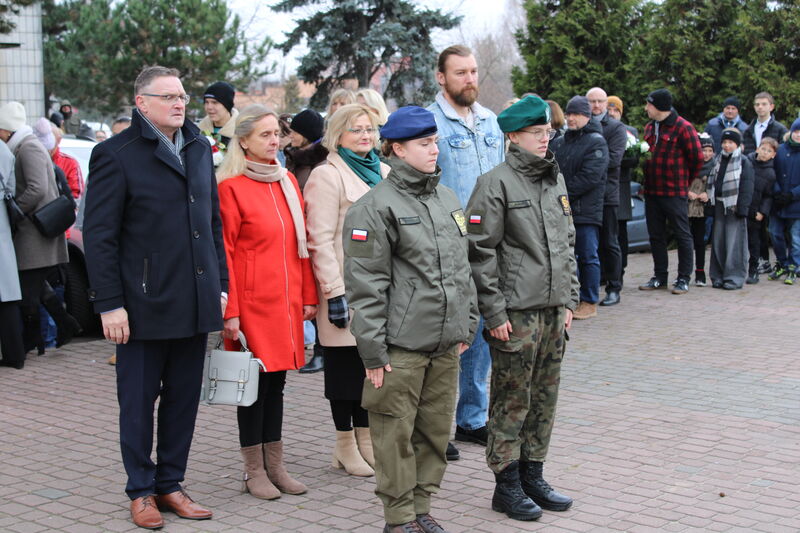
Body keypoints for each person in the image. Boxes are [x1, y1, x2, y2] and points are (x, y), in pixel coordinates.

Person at [83, 66, 228, 529]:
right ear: (142, 103)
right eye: (168, 96)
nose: (180, 103)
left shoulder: (200, 147)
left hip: (195, 299)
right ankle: (140, 490)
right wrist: (109, 303)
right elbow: (100, 235)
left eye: (182, 95)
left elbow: (212, 222)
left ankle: (170, 483)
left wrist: (220, 285)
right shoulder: (116, 154)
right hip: (142, 305)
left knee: (184, 399)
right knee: (139, 402)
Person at [343, 105, 477, 533]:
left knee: (436, 433)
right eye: (424, 143)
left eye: (435, 141)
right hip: (400, 348)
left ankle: (421, 509)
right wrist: (372, 352)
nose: (434, 149)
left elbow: (463, 268)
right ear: (398, 149)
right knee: (393, 436)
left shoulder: (447, 198)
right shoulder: (374, 207)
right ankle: (398, 518)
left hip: (445, 343)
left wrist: (466, 322)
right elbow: (366, 288)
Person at [466, 95, 578, 522]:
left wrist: (570, 298)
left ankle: (534, 474)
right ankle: (506, 483)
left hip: (552, 311)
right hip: (516, 313)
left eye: (547, 132)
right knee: (512, 399)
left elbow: (567, 243)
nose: (544, 139)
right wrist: (494, 313)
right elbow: (479, 253)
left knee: (544, 398)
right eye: (536, 133)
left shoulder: (554, 179)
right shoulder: (494, 183)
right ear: (512, 136)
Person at [216, 104, 318, 500]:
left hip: (287, 302)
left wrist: (309, 296)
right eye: (264, 135)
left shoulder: (288, 181)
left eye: (277, 133)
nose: (274, 141)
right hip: (252, 305)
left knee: (276, 386)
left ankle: (276, 465)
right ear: (243, 141)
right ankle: (253, 470)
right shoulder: (230, 187)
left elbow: (302, 245)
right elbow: (224, 253)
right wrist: (232, 312)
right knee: (252, 388)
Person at [304, 103, 389, 476]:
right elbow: (319, 240)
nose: (365, 136)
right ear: (338, 135)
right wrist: (333, 291)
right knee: (344, 373)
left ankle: (366, 439)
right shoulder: (327, 176)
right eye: (356, 130)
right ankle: (344, 444)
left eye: (369, 129)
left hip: (380, 290)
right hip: (344, 289)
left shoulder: (384, 172)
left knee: (371, 368)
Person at [427, 44, 504, 455]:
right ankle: (435, 427)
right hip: (448, 244)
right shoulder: (431, 124)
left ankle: (472, 419)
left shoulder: (490, 121)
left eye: (473, 71)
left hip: (488, 244)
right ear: (441, 77)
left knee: (481, 337)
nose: (469, 79)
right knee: (446, 337)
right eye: (460, 73)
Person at [0, 102, 69, 360]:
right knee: (38, 289)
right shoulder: (24, 145)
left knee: (29, 294)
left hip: (34, 232)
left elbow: (37, 189)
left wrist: (14, 210)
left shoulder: (27, 147)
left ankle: (33, 340)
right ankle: (65, 326)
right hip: (34, 231)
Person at [639, 89, 703, 294]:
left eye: (649, 104)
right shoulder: (649, 126)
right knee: (656, 236)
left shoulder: (683, 127)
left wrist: (684, 181)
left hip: (674, 191)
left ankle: (684, 278)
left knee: (682, 234)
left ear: (659, 107)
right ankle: (660, 276)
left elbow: (697, 158)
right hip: (652, 191)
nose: (646, 108)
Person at [550, 96, 608, 320]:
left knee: (587, 256)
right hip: (561, 209)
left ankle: (589, 300)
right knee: (565, 257)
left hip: (585, 211)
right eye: (569, 114)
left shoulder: (596, 141)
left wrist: (561, 195)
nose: (571, 118)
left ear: (587, 116)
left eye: (576, 114)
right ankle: (569, 299)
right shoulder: (560, 142)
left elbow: (590, 177)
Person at [586, 87, 627, 307]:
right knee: (588, 244)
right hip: (586, 195)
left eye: (600, 101)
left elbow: (613, 160)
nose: (596, 106)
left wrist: (589, 163)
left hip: (607, 193)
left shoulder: (615, 128)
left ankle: (614, 287)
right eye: (591, 101)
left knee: (610, 242)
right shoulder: (581, 126)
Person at [706, 128, 754, 290]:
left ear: (737, 144)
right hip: (719, 204)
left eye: (730, 142)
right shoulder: (718, 159)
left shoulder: (744, 162)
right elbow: (712, 182)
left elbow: (747, 186)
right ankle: (718, 275)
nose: (727, 146)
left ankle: (734, 277)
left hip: (734, 206)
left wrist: (743, 208)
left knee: (734, 243)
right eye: (724, 142)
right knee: (718, 241)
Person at [606, 95, 639, 286]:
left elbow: (634, 159)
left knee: (621, 231)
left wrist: (616, 159)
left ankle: (621, 270)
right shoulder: (600, 130)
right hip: (606, 185)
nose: (611, 113)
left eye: (615, 110)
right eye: (609, 109)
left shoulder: (630, 132)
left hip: (622, 186)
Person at [0, 140, 25, 369]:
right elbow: (11, 187)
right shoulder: (4, 149)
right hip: (2, 226)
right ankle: (15, 353)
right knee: (7, 294)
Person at [767, 118, 800, 285]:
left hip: (796, 203)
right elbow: (771, 172)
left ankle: (794, 265)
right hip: (778, 202)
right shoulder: (780, 150)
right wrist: (777, 191)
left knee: (795, 237)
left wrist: (792, 194)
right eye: (796, 131)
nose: (799, 135)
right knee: (775, 233)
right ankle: (782, 262)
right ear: (791, 132)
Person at [745, 137, 778, 284]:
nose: (765, 153)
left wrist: (762, 212)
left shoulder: (771, 173)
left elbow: (768, 196)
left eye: (769, 151)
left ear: (773, 155)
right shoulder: (747, 162)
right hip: (741, 208)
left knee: (754, 242)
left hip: (756, 212)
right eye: (763, 149)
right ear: (757, 148)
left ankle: (753, 271)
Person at [688, 133, 716, 286]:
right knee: (685, 240)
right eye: (703, 150)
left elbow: (718, 186)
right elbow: (680, 180)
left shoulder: (715, 166)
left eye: (709, 151)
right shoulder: (690, 164)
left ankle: (700, 273)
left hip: (704, 209)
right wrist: (687, 192)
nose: (706, 154)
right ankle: (684, 272)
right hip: (687, 206)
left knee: (701, 241)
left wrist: (708, 194)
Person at [284, 108, 327, 191]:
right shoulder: (291, 155)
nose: (290, 136)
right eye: (291, 131)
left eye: (295, 133)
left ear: (307, 135)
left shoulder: (322, 163)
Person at [199, 81, 239, 148]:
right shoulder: (199, 130)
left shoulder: (242, 131)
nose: (209, 107)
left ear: (227, 105)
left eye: (215, 102)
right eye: (206, 102)